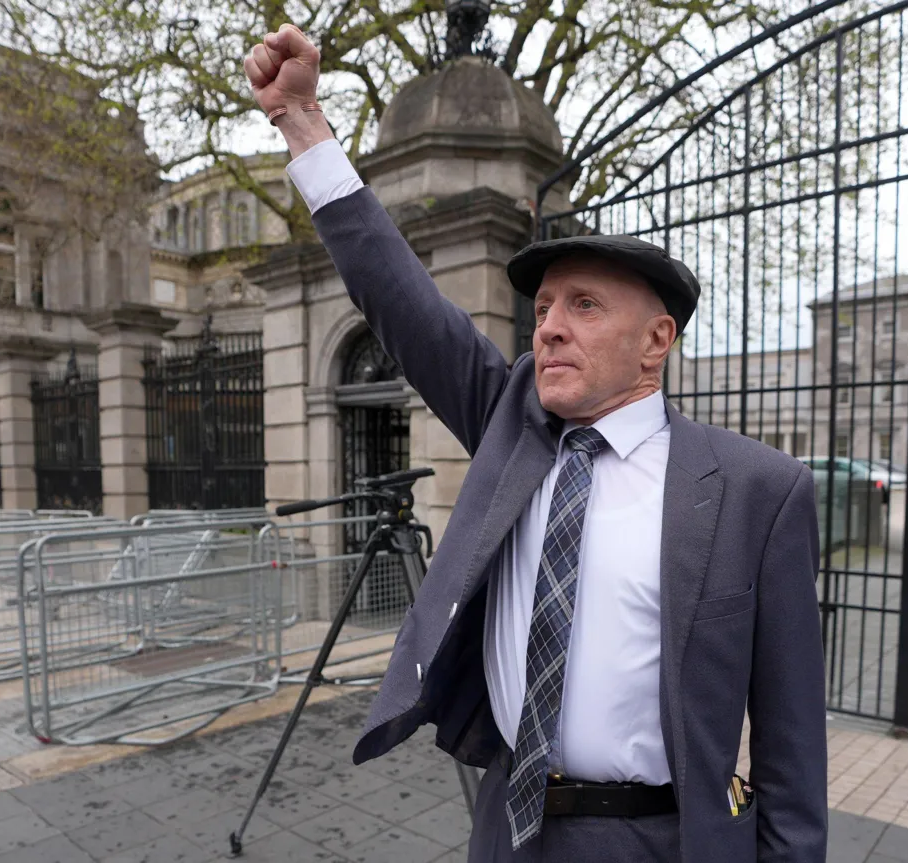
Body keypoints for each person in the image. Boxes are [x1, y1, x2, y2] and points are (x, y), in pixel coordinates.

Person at [244, 25, 827, 863]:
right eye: (545, 306)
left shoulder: (756, 491)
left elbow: (792, 744)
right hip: (510, 828)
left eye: (584, 306)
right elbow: (401, 298)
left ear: (655, 340)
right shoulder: (510, 425)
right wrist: (301, 119)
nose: (549, 327)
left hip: (664, 840)